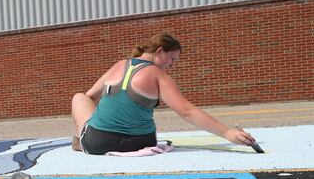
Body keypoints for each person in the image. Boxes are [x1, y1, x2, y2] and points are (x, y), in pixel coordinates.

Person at [71, 32, 256, 155]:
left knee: (79, 97)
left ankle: (80, 139)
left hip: (97, 143)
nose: (172, 65)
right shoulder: (160, 76)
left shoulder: (119, 65)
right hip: (141, 143)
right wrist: (228, 133)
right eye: (172, 59)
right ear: (160, 52)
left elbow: (90, 96)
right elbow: (187, 111)